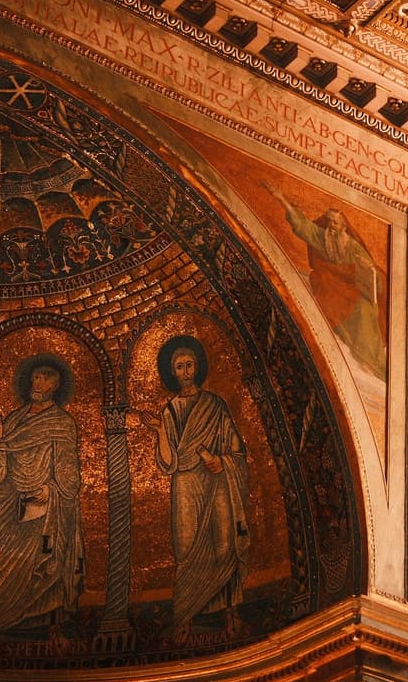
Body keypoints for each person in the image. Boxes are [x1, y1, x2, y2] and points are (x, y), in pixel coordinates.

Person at [154, 336, 249, 641]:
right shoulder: (170, 410)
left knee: (223, 543)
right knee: (186, 546)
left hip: (217, 482)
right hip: (185, 484)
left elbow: (236, 449)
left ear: (198, 367)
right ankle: (185, 616)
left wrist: (222, 461)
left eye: (189, 364)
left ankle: (231, 612)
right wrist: (159, 431)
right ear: (172, 372)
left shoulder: (215, 404)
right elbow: (168, 463)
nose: (184, 371)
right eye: (178, 367)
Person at [0, 357, 83, 636]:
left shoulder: (62, 423)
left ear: (57, 384)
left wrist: (50, 490)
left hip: (43, 505)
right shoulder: (13, 420)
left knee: (40, 563)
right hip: (6, 502)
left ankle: (35, 625)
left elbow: (69, 472)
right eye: (36, 377)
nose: (39, 383)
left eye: (47, 377)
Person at [268, 189, 385, 376]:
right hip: (331, 283)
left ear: (343, 226)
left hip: (352, 288)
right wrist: (282, 199)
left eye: (336, 223)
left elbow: (373, 277)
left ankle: (371, 358)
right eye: (329, 221)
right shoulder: (322, 237)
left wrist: (368, 269)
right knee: (324, 282)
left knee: (365, 310)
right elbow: (303, 226)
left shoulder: (352, 246)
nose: (331, 225)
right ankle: (358, 348)